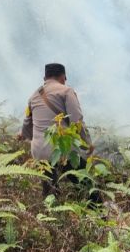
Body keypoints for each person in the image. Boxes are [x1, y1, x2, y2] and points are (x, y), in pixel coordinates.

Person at [20, 63, 94, 198]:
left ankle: (51, 213)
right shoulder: (66, 91)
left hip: (39, 152)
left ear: (45, 78)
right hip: (62, 148)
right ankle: (98, 211)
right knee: (87, 187)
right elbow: (77, 122)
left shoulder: (33, 96)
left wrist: (30, 138)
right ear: (63, 77)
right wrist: (87, 143)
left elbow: (26, 127)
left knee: (50, 192)